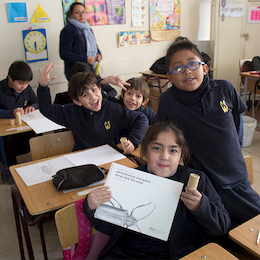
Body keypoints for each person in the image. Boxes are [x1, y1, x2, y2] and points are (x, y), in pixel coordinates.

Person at [83, 121, 231, 259]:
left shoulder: (196, 180)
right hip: (126, 253)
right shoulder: (131, 178)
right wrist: (91, 206)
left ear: (181, 155)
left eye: (173, 150)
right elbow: (108, 227)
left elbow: (222, 226)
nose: (164, 156)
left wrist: (201, 206)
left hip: (174, 255)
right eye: (157, 148)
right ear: (146, 151)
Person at [156, 36, 260, 228]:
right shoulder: (168, 101)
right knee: (215, 233)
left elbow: (237, 125)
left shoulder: (225, 88)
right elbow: (162, 137)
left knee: (252, 228)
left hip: (235, 177)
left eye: (192, 64)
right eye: (178, 68)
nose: (187, 71)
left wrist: (232, 156)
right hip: (202, 185)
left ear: (205, 68)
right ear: (169, 77)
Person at [37, 63, 148, 155]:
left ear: (100, 89)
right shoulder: (71, 112)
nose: (92, 97)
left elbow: (141, 119)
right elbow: (47, 109)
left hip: (111, 157)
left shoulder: (112, 108)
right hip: (83, 160)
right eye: (85, 95)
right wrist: (43, 87)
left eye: (94, 90)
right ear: (77, 101)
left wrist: (133, 141)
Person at [0, 61, 38, 182]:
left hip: (23, 126)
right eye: (20, 83)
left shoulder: (26, 89)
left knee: (37, 134)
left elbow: (36, 102)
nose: (23, 86)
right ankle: (9, 170)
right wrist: (11, 113)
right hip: (6, 129)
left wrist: (32, 107)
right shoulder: (1, 89)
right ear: (10, 78)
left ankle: (38, 164)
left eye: (26, 83)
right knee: (7, 140)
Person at [60, 2, 102, 80]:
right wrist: (85, 59)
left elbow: (93, 46)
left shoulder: (87, 28)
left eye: (83, 12)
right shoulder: (68, 30)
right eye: (78, 12)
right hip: (77, 71)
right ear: (71, 14)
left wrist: (98, 54)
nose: (81, 15)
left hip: (91, 68)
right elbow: (64, 54)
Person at [53, 62, 127, 105]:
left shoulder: (97, 82)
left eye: (93, 90)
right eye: (85, 94)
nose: (92, 95)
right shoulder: (69, 96)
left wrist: (99, 98)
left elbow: (113, 91)